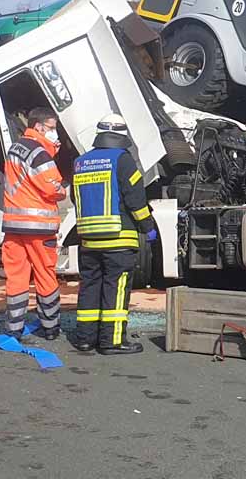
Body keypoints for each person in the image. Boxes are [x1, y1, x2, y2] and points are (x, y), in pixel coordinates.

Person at [70, 114, 157, 355]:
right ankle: (112, 341)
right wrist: (147, 227)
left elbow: (75, 198)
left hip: (88, 240)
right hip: (119, 239)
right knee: (115, 289)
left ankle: (85, 339)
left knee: (90, 287)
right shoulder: (123, 160)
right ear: (122, 136)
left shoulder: (80, 162)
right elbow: (135, 199)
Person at [1, 106, 67, 340]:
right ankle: (50, 326)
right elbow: (52, 188)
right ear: (38, 127)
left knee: (16, 277)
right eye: (52, 128)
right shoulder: (38, 153)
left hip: (14, 225)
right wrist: (63, 192)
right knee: (44, 274)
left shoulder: (15, 148)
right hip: (39, 226)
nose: (55, 133)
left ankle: (14, 328)